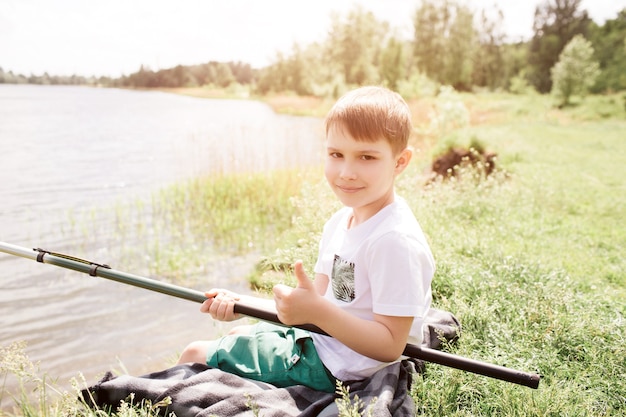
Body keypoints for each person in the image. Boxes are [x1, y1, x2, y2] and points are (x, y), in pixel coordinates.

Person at [176, 85, 435, 393]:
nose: (347, 172)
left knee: (194, 353)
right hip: (318, 340)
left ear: (400, 162)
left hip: (338, 367)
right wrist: (241, 302)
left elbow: (391, 345)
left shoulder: (394, 241)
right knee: (235, 336)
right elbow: (318, 305)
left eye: (366, 156)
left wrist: (317, 312)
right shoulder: (341, 221)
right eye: (336, 154)